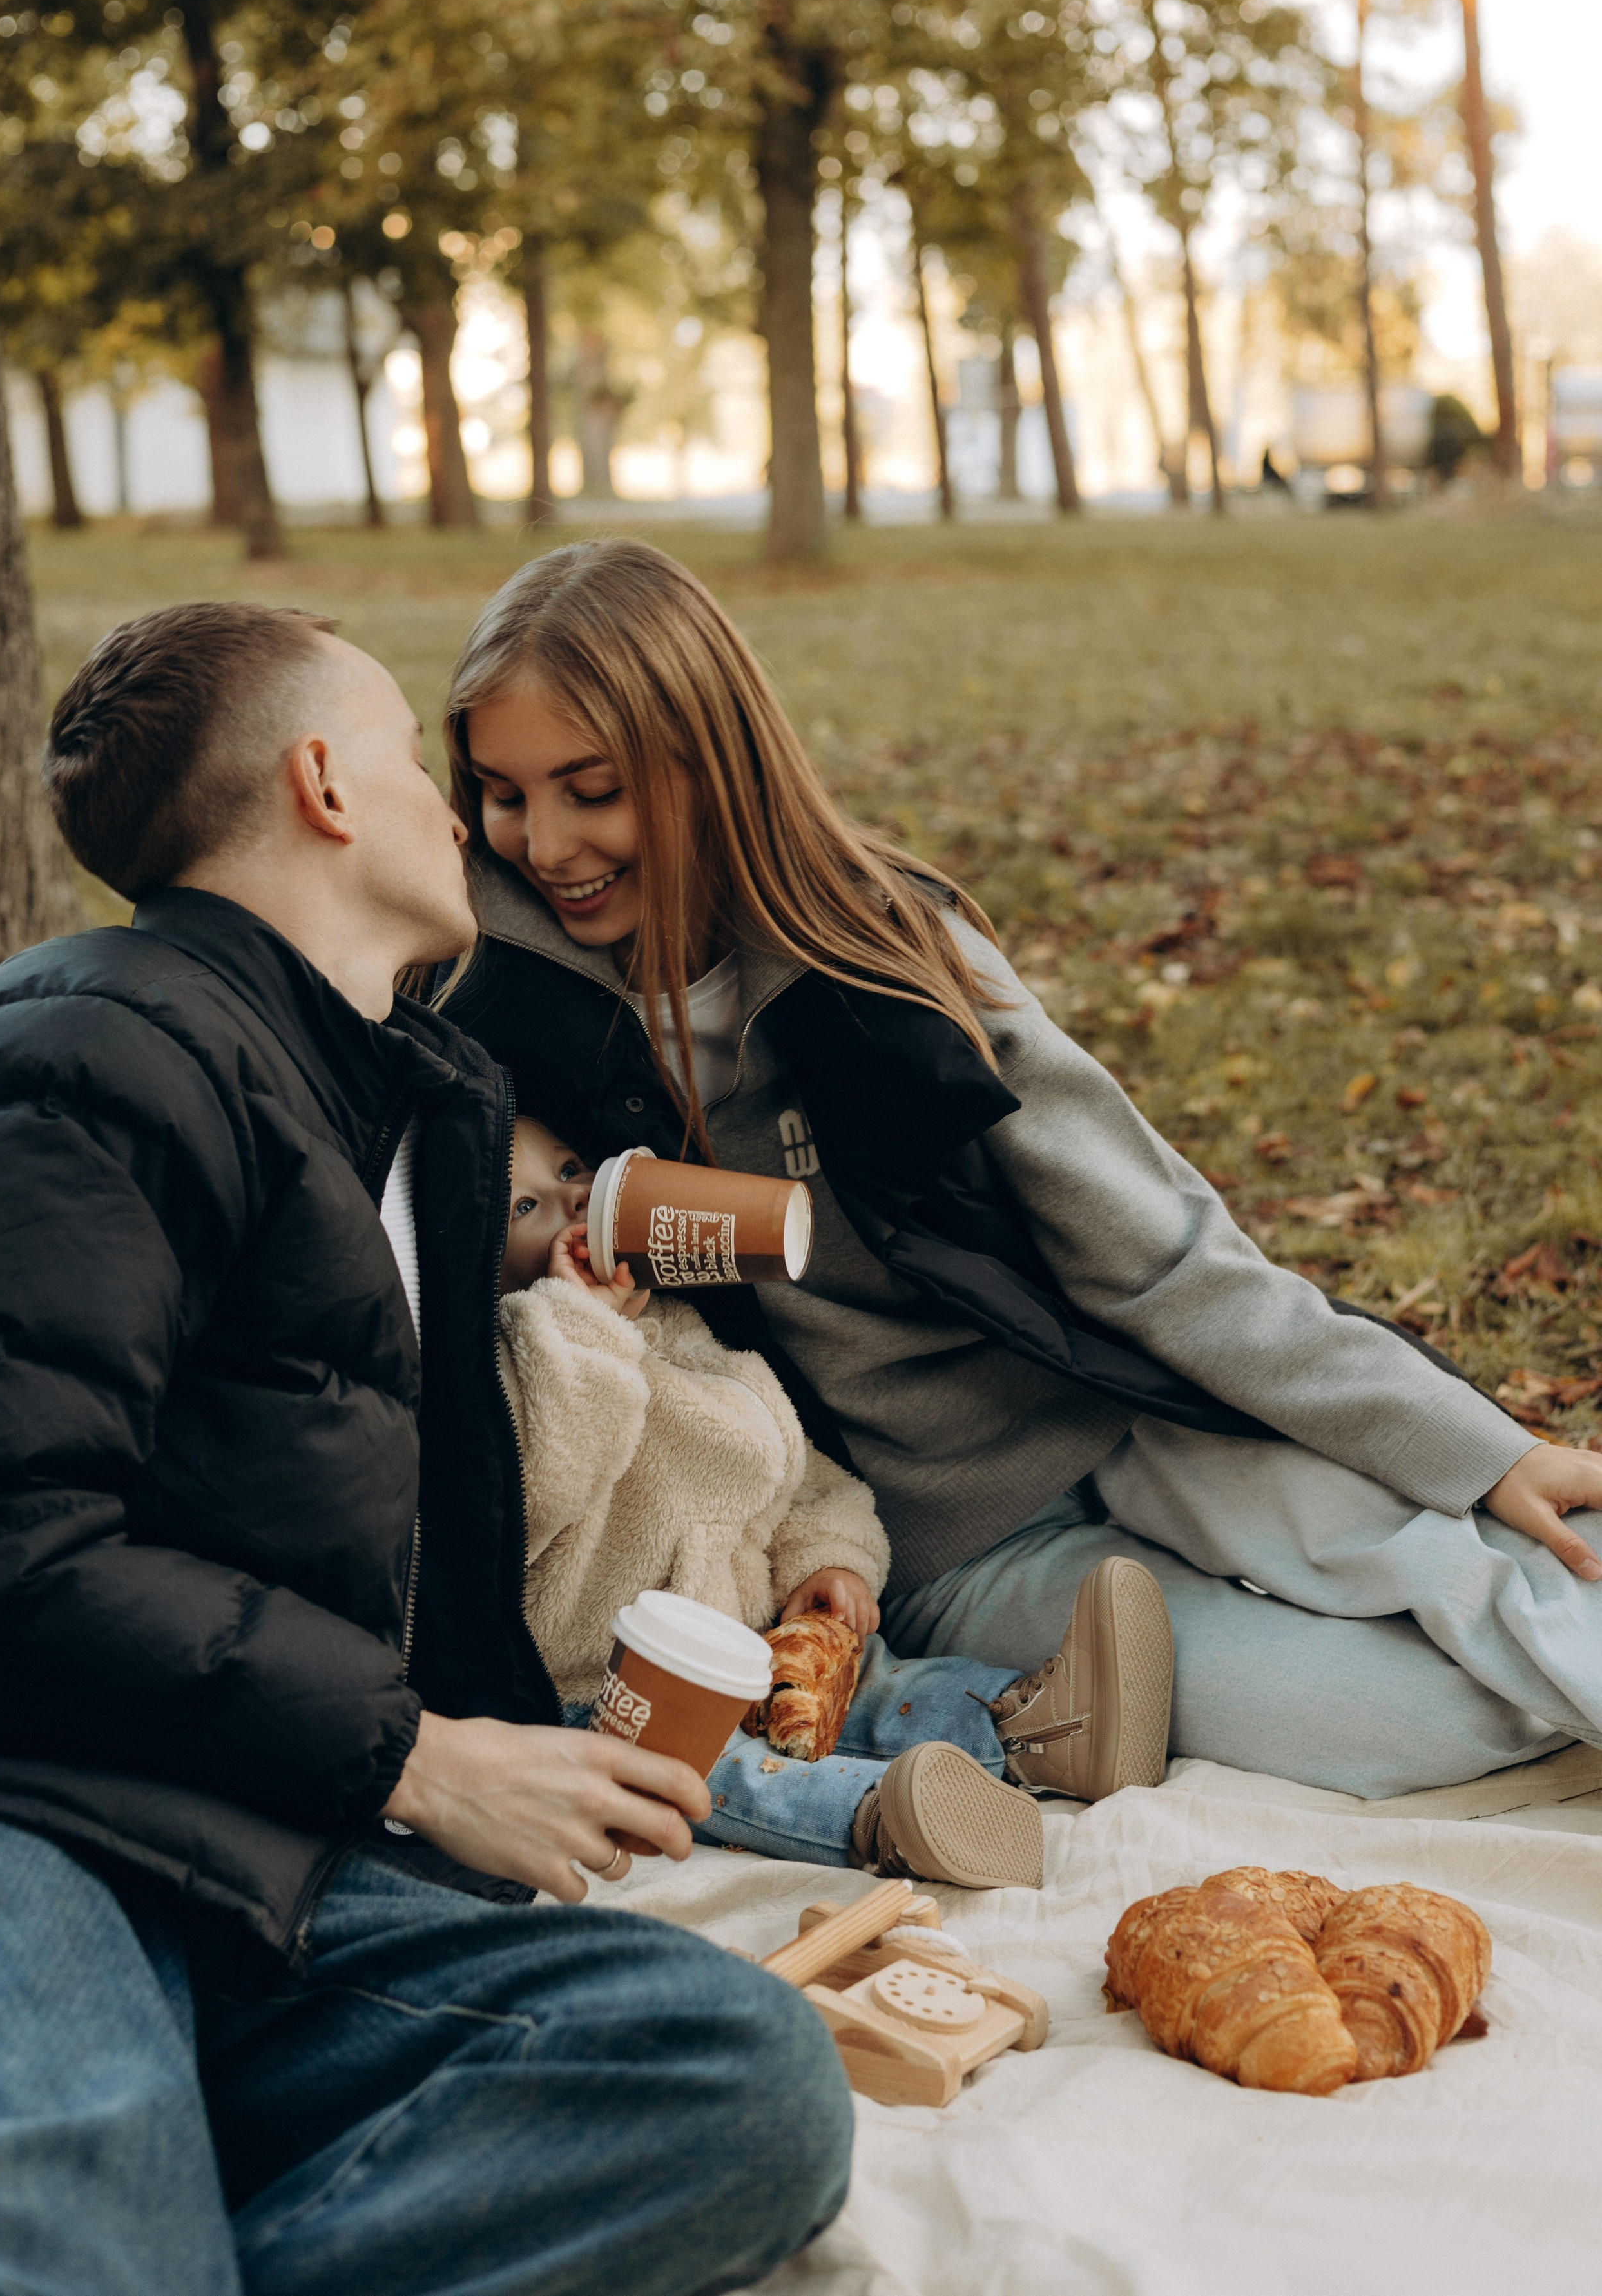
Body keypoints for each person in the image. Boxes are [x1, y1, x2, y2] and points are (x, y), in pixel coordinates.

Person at [0, 601, 852, 2296]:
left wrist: (495, 1758)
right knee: (71, 2239)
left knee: (737, 2080)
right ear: (322, 784)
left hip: (275, 1852)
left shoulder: (403, 1107)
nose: (462, 817)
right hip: (26, 1824)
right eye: (413, 765)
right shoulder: (77, 1054)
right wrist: (416, 1762)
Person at [434, 536, 1602, 1803]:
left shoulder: (885, 955)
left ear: (710, 765)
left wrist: (1475, 1447)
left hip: (1122, 1413)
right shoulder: (491, 1018)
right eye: (504, 795)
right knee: (1413, 1719)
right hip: (939, 1540)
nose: (547, 844)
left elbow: (1162, 1253)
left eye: (592, 790)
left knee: (1504, 1570)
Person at [497, 1114, 1176, 1890]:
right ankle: (882, 1817)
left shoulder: (680, 1331)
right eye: (526, 1205)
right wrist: (578, 1323)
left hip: (753, 1641)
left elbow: (792, 1465)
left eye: (570, 1167)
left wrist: (826, 1560)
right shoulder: (517, 1372)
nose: (575, 1196)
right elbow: (541, 1481)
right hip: (610, 1690)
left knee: (875, 1682)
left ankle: (1042, 1726)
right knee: (710, 1772)